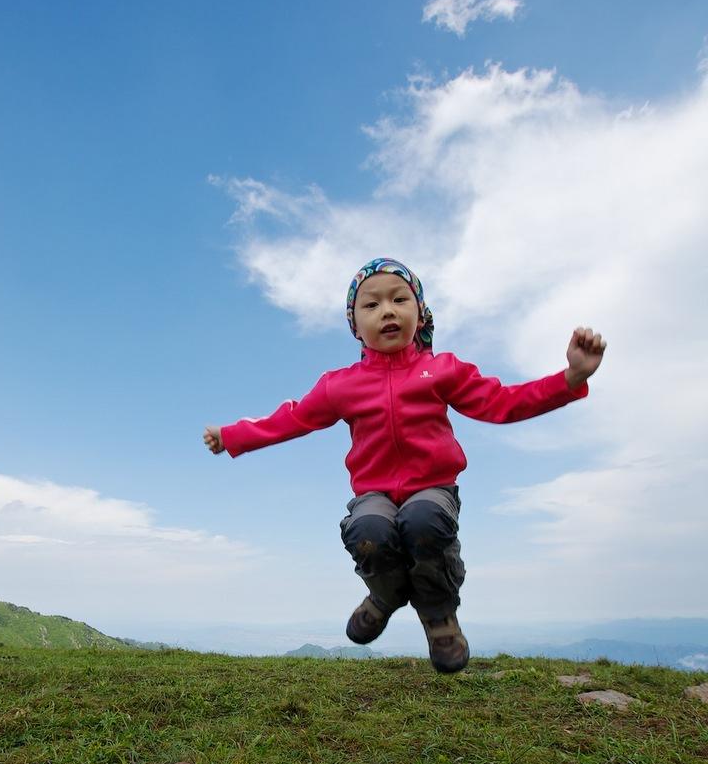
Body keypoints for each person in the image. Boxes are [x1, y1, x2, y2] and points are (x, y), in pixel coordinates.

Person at [204, 257, 606, 673]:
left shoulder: (443, 369)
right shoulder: (340, 385)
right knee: (369, 531)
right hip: (374, 494)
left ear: (420, 312)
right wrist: (233, 436)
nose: (388, 311)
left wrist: (570, 379)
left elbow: (502, 402)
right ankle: (385, 594)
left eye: (399, 299)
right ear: (355, 326)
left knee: (423, 519)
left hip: (433, 488)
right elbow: (292, 418)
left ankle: (439, 615)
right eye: (371, 305)